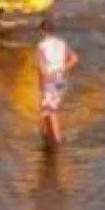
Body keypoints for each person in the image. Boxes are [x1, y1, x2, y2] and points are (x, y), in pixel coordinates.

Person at [36, 17, 79, 146]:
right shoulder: (61, 43)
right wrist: (62, 68)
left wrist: (42, 84)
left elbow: (41, 67)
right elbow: (74, 58)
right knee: (47, 109)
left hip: (49, 80)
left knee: (50, 110)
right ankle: (46, 134)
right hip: (60, 79)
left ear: (42, 31)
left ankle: (57, 140)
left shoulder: (41, 46)